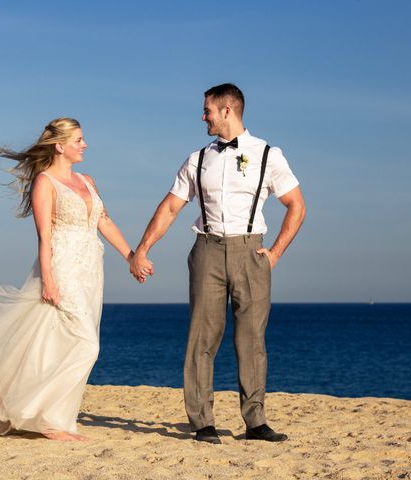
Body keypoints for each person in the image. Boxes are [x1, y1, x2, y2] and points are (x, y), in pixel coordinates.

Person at [0, 117, 134, 442]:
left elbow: (104, 222)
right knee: (87, 346)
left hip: (91, 269)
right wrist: (48, 279)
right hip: (62, 266)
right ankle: (48, 421)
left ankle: (53, 417)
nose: (85, 145)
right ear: (60, 145)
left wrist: (131, 256)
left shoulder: (88, 180)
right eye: (78, 140)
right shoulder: (45, 183)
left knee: (59, 342)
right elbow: (44, 237)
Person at [129, 84, 306, 444]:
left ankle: (255, 422)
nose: (203, 116)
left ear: (227, 110)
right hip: (207, 250)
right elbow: (170, 207)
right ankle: (202, 422)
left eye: (207, 110)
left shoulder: (268, 154)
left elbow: (297, 206)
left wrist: (274, 254)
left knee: (251, 339)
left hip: (251, 252)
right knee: (202, 338)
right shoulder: (197, 159)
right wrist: (142, 249)